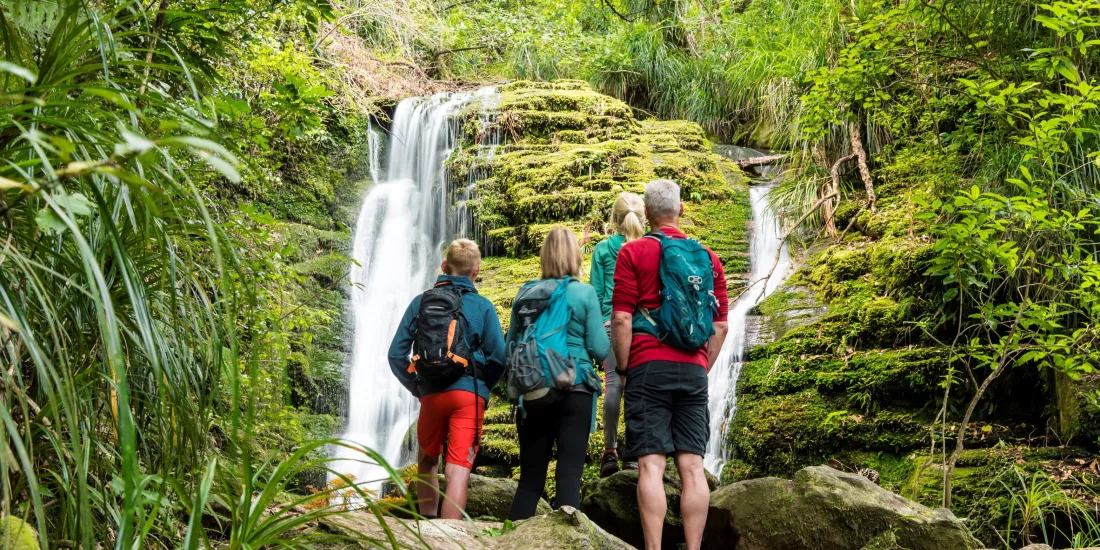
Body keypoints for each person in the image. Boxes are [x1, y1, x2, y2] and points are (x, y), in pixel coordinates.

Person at [610, 179, 730, 550]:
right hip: (694, 370)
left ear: (646, 214)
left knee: (651, 466)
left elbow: (621, 320)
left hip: (647, 367)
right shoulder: (708, 258)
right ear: (681, 210)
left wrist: (627, 369)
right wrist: (701, 367)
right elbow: (721, 325)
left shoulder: (632, 253)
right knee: (693, 466)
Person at [388, 239, 507, 520]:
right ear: (476, 270)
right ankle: (449, 539)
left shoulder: (421, 302)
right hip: (468, 396)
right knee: (458, 469)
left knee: (427, 461)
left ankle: (426, 528)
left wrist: (418, 388)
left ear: (444, 266)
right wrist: (482, 389)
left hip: (431, 394)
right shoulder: (483, 306)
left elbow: (396, 355)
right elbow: (499, 358)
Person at [507, 227, 610, 520]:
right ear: (576, 255)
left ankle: (512, 542)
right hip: (575, 387)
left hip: (533, 389)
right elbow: (600, 350)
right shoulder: (584, 293)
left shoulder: (524, 293)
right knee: (568, 475)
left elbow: (508, 350)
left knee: (529, 481)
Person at [590, 192, 646, 477]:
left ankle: (609, 451)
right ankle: (635, 454)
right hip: (644, 327)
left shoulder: (602, 250)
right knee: (639, 388)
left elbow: (597, 295)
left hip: (612, 324)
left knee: (613, 384)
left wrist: (600, 327)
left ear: (614, 219)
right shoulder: (650, 248)